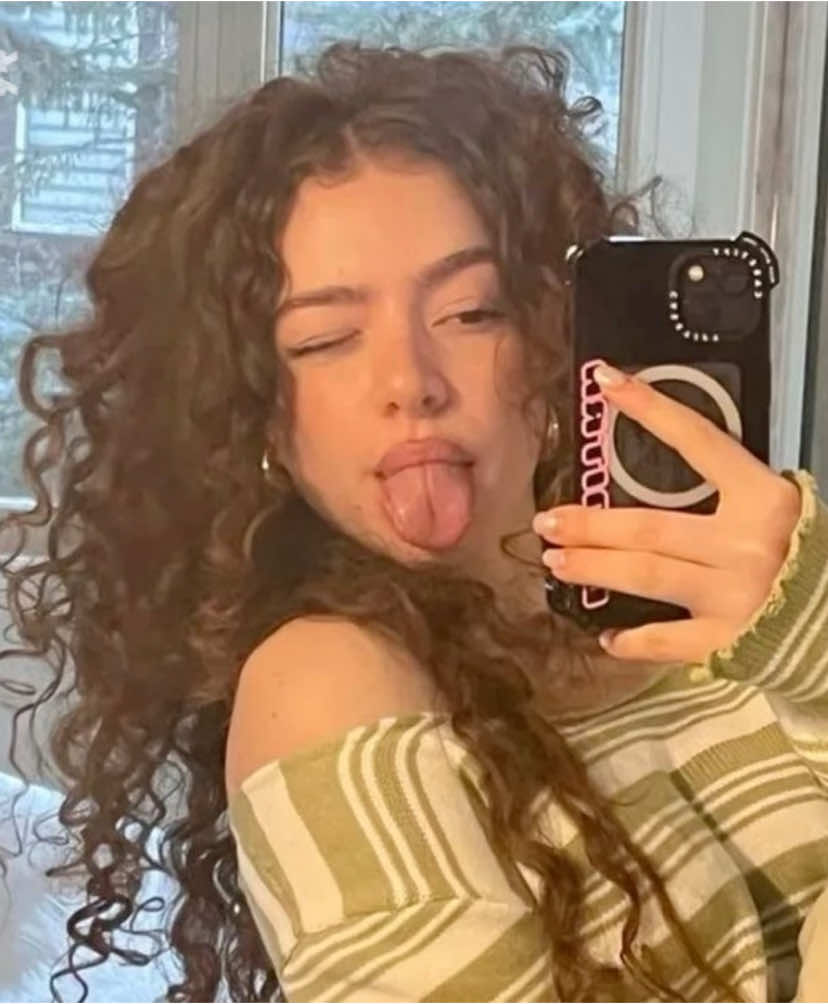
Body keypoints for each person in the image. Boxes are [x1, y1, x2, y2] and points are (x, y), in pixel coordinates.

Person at [1, 41, 826, 1004]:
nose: (410, 383)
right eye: (325, 339)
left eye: (472, 313)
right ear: (254, 412)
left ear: (553, 333)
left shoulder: (768, 587)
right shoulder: (324, 681)